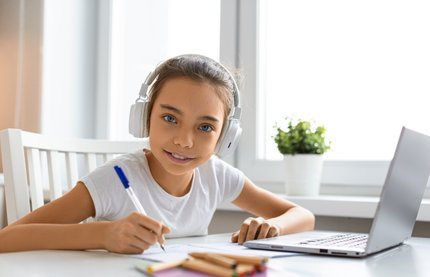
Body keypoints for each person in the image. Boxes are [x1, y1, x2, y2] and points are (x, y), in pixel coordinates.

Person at [0, 54, 314, 254]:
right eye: (169, 118)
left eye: (205, 127)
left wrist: (273, 227)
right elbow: (7, 239)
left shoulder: (215, 175)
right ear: (144, 118)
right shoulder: (114, 179)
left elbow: (303, 216)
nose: (185, 141)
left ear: (225, 138)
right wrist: (103, 235)